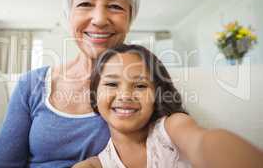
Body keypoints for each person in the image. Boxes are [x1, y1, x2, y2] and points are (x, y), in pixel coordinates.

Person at [0, 0, 140, 167]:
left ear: (130, 18)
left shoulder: (148, 82)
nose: (99, 19)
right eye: (85, 3)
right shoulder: (32, 85)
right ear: (68, 15)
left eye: (115, 6)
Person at [73, 44, 263, 168]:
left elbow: (201, 142)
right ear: (94, 95)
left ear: (157, 94)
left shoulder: (171, 128)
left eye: (140, 85)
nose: (125, 95)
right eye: (112, 84)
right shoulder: (94, 165)